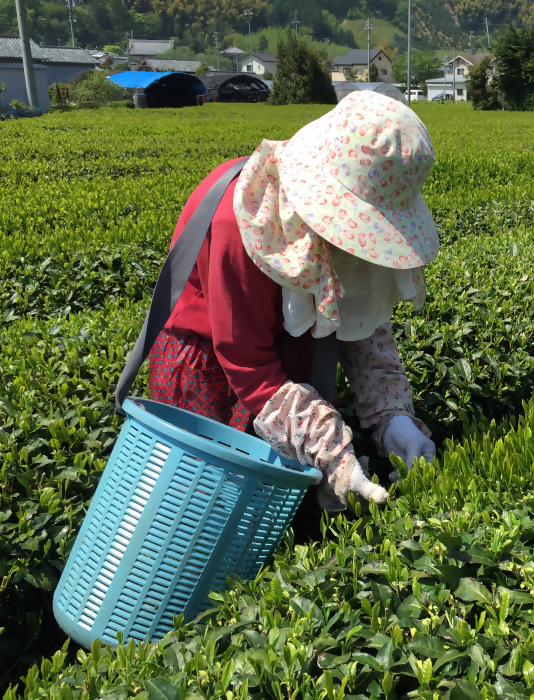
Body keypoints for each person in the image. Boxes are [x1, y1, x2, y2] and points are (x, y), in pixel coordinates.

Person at [147, 91, 438, 528]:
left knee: (290, 518)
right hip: (213, 373)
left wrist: (393, 417)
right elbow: (247, 363)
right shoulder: (242, 217)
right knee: (217, 520)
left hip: (290, 361)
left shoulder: (341, 231)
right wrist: (329, 448)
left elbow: (362, 321)